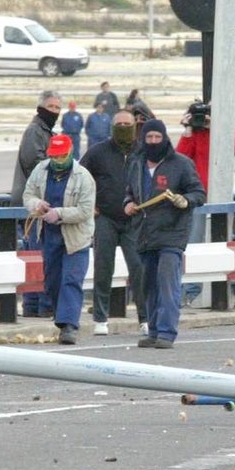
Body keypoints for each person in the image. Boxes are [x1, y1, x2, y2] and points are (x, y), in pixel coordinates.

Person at [123, 119, 205, 349]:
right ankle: (154, 330)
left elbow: (198, 193)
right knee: (148, 285)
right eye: (149, 137)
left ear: (164, 138)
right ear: (143, 139)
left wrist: (184, 200)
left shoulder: (181, 164)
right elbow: (129, 191)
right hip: (144, 233)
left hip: (172, 234)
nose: (153, 142)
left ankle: (167, 332)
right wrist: (128, 203)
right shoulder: (136, 163)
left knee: (167, 283)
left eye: (157, 137)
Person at [23, 134, 96, 345]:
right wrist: (36, 204)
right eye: (54, 156)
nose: (58, 160)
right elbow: (28, 194)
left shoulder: (83, 177)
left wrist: (60, 213)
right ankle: (60, 316)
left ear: (70, 152)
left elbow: (84, 210)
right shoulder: (41, 170)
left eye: (62, 156)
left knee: (71, 280)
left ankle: (69, 325)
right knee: (53, 280)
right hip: (49, 235)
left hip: (76, 237)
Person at [80, 108, 147, 336]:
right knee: (103, 266)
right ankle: (100, 318)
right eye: (119, 124)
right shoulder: (97, 152)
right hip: (105, 218)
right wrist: (90, 207)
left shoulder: (144, 152)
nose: (123, 128)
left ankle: (145, 318)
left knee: (139, 268)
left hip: (135, 219)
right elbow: (80, 180)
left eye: (127, 125)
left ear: (135, 126)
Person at [175, 102, 235, 305]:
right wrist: (188, 130)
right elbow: (180, 158)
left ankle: (222, 287)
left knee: (220, 242)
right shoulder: (194, 136)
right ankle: (191, 290)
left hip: (219, 194)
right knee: (194, 242)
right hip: (197, 196)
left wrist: (218, 125)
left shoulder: (219, 133)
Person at [11, 90, 62, 317]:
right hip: (34, 204)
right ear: (41, 107)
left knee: (36, 256)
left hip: (41, 203)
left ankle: (34, 306)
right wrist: (60, 165)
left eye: (57, 108)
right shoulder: (35, 132)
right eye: (51, 107)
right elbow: (35, 163)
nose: (55, 112)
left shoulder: (46, 131)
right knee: (39, 256)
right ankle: (39, 306)